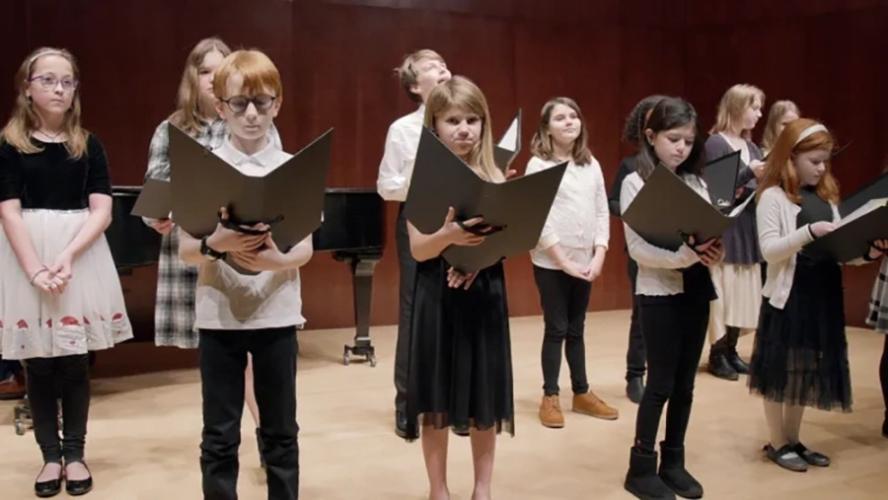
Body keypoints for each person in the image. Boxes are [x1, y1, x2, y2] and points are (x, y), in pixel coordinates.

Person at [177, 49, 311, 500]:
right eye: (239, 104)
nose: (252, 114)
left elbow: (305, 250)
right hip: (219, 316)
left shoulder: (294, 168)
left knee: (280, 428)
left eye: (262, 102)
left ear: (278, 104)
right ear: (221, 107)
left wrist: (274, 260)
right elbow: (187, 251)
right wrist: (220, 244)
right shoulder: (202, 168)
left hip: (276, 312)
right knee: (219, 432)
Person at [0, 47, 133, 497]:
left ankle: (74, 453)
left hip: (78, 255)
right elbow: (9, 212)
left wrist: (69, 256)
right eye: (48, 80)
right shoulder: (10, 143)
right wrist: (35, 268)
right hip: (26, 258)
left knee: (75, 362)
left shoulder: (88, 144)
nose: (59, 88)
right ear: (27, 87)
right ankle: (48, 457)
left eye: (67, 81)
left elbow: (102, 209)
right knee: (37, 362)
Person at [143, 36, 280, 467]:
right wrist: (159, 215)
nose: (213, 78)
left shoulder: (253, 119)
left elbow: (274, 181)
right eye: (205, 71)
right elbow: (155, 191)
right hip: (198, 247)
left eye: (221, 71)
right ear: (195, 78)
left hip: (246, 250)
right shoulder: (172, 129)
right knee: (221, 355)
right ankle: (227, 441)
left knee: (249, 354)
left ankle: (261, 428)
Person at [749, 118, 887, 472]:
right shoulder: (772, 197)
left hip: (822, 294)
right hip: (789, 295)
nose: (822, 168)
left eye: (826, 160)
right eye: (814, 161)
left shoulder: (827, 196)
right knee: (780, 371)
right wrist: (808, 232)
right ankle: (777, 442)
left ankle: (793, 439)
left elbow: (839, 248)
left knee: (805, 371)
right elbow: (770, 250)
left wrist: (867, 253)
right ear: (790, 158)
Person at [403, 76, 511, 500]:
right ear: (435, 125)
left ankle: (482, 490)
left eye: (472, 119)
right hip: (438, 295)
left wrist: (477, 261)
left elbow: (506, 242)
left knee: (485, 398)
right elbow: (418, 249)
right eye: (453, 121)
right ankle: (439, 490)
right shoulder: (425, 177)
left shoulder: (495, 175)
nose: (464, 129)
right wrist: (449, 237)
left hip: (484, 293)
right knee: (436, 401)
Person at [620, 97, 723, 500]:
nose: (681, 147)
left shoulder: (696, 182)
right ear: (651, 136)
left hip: (696, 290)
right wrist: (686, 255)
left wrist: (714, 251)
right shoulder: (635, 180)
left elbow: (708, 234)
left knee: (685, 386)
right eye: (673, 139)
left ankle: (674, 461)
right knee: (660, 383)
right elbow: (637, 249)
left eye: (687, 140)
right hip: (658, 294)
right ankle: (640, 467)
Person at [527, 96, 616, 428]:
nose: (569, 122)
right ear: (546, 128)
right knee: (557, 328)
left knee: (577, 329)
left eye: (574, 116)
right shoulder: (538, 165)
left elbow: (601, 210)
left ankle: (581, 392)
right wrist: (562, 260)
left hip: (585, 260)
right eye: (560, 117)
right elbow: (540, 219)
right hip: (552, 262)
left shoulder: (590, 163)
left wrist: (601, 252)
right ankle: (550, 395)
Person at [376, 49, 452, 437]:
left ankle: (455, 402)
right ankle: (407, 404)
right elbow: (386, 186)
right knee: (414, 310)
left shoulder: (463, 123)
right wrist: (426, 178)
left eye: (444, 64)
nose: (442, 68)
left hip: (459, 217)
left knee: (457, 307)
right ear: (413, 84)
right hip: (419, 217)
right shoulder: (402, 129)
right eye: (431, 66)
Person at [704, 84, 766, 381]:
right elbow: (719, 192)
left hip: (747, 226)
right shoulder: (717, 143)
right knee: (723, 294)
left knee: (741, 293)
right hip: (727, 229)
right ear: (738, 107)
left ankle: (731, 349)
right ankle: (717, 353)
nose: (758, 113)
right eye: (754, 107)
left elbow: (752, 189)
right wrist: (748, 173)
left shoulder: (752, 147)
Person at [608, 94, 667, 404]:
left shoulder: (678, 165)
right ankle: (635, 374)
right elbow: (613, 202)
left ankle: (662, 373)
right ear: (643, 127)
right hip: (642, 248)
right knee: (642, 315)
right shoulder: (630, 165)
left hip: (675, 250)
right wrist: (638, 208)